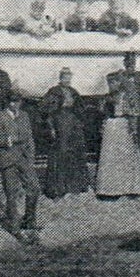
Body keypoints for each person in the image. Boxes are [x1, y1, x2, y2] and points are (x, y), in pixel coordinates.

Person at [0, 90, 40, 237]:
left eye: (18, 101)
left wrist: (31, 158)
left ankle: (29, 220)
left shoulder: (24, 116)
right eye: (12, 101)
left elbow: (30, 138)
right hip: (7, 159)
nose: (15, 104)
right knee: (11, 193)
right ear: (7, 102)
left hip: (23, 158)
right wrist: (6, 141)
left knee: (34, 188)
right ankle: (14, 226)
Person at [95, 66, 140, 198]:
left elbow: (134, 113)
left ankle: (132, 189)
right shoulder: (107, 97)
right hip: (110, 128)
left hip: (124, 126)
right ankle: (110, 190)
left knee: (127, 157)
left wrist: (134, 130)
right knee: (110, 158)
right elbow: (102, 113)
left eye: (114, 82)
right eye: (109, 83)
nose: (111, 85)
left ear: (120, 82)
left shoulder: (129, 96)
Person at [39, 67, 91, 197]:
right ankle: (58, 188)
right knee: (61, 153)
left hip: (73, 124)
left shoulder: (73, 91)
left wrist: (79, 120)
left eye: (69, 77)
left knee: (75, 152)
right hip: (60, 123)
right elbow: (46, 110)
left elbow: (80, 108)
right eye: (64, 77)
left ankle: (75, 186)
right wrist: (51, 127)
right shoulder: (54, 91)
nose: (67, 80)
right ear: (60, 78)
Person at [106, 52, 140, 153]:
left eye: (133, 63)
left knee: (138, 131)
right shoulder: (118, 75)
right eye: (128, 63)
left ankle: (139, 154)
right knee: (123, 130)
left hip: (139, 108)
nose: (131, 66)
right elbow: (112, 90)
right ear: (124, 64)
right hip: (123, 108)